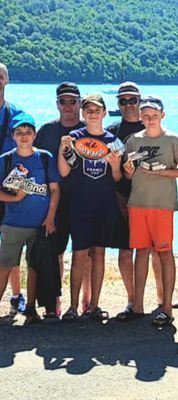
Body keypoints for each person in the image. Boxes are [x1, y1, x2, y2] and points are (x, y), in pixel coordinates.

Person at [124, 95, 178, 327]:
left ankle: (167, 308)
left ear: (162, 115)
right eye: (146, 116)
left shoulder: (172, 139)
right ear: (140, 117)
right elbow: (129, 174)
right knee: (140, 252)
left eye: (154, 115)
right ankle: (138, 306)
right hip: (138, 203)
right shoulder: (133, 141)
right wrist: (128, 170)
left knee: (164, 253)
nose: (150, 119)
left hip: (162, 205)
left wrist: (163, 173)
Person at [58, 94, 122, 321]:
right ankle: (73, 306)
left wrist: (116, 166)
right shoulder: (74, 137)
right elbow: (64, 172)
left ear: (105, 113)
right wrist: (62, 149)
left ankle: (94, 305)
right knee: (79, 255)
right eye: (88, 110)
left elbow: (117, 178)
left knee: (99, 254)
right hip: (80, 206)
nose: (93, 114)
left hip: (105, 206)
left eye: (97, 110)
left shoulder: (113, 140)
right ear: (83, 114)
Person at [106, 82, 163, 320]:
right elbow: (110, 172)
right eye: (123, 101)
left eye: (132, 100)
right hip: (121, 199)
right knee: (125, 252)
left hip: (151, 200)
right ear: (118, 104)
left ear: (140, 102)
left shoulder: (152, 127)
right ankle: (132, 301)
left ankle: (162, 299)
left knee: (157, 251)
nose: (128, 105)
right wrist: (121, 202)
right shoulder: (111, 131)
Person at [34, 81, 91, 316]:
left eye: (72, 101)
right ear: (57, 104)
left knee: (84, 254)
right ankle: (54, 303)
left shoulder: (89, 131)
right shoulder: (47, 131)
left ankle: (87, 303)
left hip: (82, 201)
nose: (68, 106)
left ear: (79, 103)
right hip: (53, 204)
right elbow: (34, 164)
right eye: (63, 101)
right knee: (55, 254)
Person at [0, 113, 60, 324]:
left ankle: (32, 309)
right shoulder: (6, 160)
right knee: (5, 265)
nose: (24, 136)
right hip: (12, 224)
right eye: (19, 133)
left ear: (35, 135)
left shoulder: (45, 158)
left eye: (28, 132)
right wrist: (15, 197)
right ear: (13, 136)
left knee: (34, 266)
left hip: (39, 223)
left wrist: (51, 216)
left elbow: (54, 189)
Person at [0, 62, 26, 314]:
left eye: (0, 76)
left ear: (7, 80)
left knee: (11, 241)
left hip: (8, 187)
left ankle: (17, 294)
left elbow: (25, 151)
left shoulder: (15, 114)